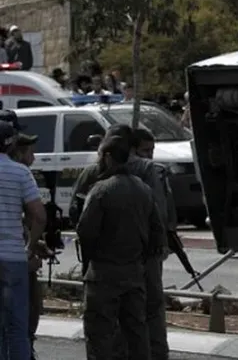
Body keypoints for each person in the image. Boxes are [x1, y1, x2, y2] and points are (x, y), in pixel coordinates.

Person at [69, 124, 174, 360]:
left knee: (99, 332)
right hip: (134, 271)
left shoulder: (100, 190)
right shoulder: (144, 188)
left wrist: (93, 258)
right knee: (137, 329)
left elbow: (85, 230)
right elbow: (158, 230)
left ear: (107, 156)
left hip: (104, 272)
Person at [0, 120, 46, 360]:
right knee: (18, 326)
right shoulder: (20, 172)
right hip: (13, 257)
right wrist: (30, 246)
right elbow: (39, 215)